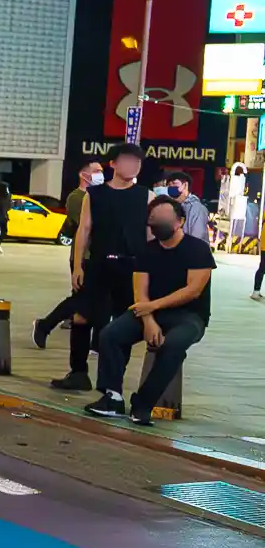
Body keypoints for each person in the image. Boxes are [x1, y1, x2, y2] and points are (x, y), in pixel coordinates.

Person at [84, 195, 214, 426]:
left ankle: (143, 403)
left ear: (180, 221)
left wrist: (152, 307)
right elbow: (140, 291)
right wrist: (149, 320)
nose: (158, 222)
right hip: (149, 312)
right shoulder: (146, 251)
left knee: (172, 345)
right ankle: (112, 397)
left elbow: (193, 290)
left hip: (189, 316)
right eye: (154, 218)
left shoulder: (198, 250)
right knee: (110, 335)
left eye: (164, 217)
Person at [52, 141, 150, 392]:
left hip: (132, 267)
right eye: (128, 160)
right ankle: (78, 373)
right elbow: (83, 230)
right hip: (98, 263)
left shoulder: (146, 196)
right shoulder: (94, 195)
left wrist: (151, 271)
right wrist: (77, 266)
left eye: (137, 162)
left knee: (123, 322)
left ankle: (113, 381)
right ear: (114, 164)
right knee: (81, 316)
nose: (133, 166)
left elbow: (150, 237)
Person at [32, 160, 103, 348]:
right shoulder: (77, 197)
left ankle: (96, 343)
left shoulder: (98, 195)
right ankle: (45, 325)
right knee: (81, 299)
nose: (100, 174)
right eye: (95, 171)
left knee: (95, 300)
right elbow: (84, 225)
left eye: (101, 171)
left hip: (98, 256)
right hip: (84, 255)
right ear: (83, 174)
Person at [164, 172, 208, 241]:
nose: (171, 187)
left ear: (185, 185)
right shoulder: (172, 207)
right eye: (169, 185)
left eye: (174, 184)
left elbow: (197, 238)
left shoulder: (197, 208)